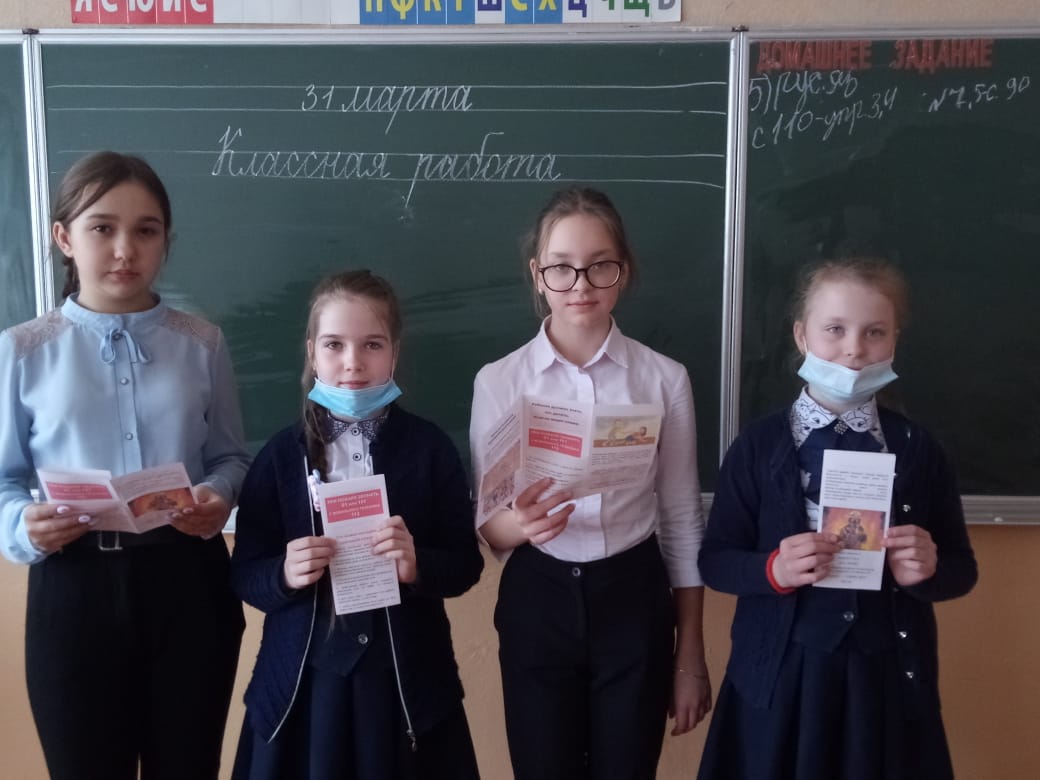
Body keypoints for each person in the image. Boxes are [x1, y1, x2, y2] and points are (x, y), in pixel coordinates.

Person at [0, 151, 250, 779]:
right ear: (64, 238)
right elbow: (4, 479)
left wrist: (219, 496)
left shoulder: (203, 343)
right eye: (102, 228)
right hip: (73, 586)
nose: (124, 250)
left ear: (166, 240)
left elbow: (229, 457)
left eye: (146, 230)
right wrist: (23, 525)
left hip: (188, 583)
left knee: (188, 767)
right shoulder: (23, 350)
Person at [697, 258, 978, 779]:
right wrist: (772, 570)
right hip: (782, 676)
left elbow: (961, 568)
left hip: (885, 678)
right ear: (801, 335)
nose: (853, 349)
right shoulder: (759, 446)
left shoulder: (917, 448)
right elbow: (715, 561)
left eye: (874, 332)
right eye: (835, 329)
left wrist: (928, 571)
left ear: (894, 340)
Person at [469, 187, 712, 780]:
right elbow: (488, 525)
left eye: (600, 265)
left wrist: (690, 654)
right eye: (562, 267)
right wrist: (519, 525)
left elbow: (682, 517)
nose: (580, 284)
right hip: (538, 596)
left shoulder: (664, 379)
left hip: (634, 597)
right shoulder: (500, 380)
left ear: (623, 270)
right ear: (538, 274)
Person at [231, 270, 483, 780]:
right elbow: (245, 575)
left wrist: (418, 565)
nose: (353, 362)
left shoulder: (430, 448)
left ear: (394, 352)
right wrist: (284, 574)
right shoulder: (280, 456)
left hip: (405, 685)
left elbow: (465, 565)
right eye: (334, 345)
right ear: (311, 353)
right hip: (305, 687)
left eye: (372, 344)